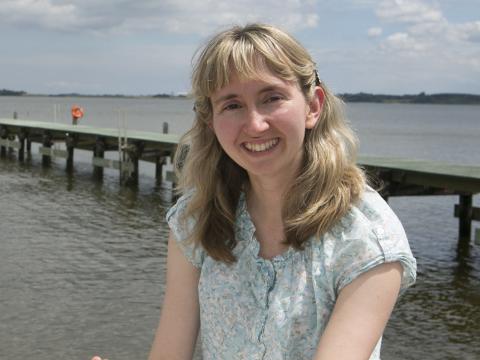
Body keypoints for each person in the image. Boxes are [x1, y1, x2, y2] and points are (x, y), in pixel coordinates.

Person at [95, 23, 416, 360]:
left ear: (313, 106)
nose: (255, 124)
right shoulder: (197, 218)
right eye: (232, 105)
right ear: (211, 121)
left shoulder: (367, 237)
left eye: (272, 98)